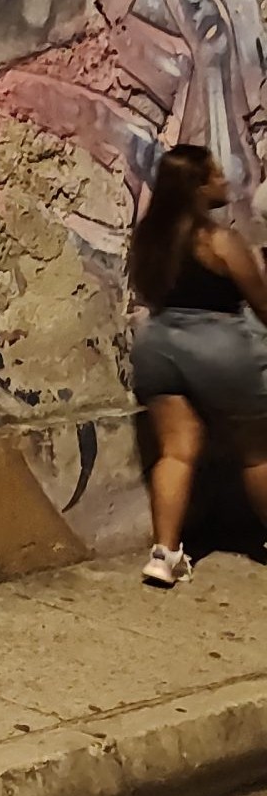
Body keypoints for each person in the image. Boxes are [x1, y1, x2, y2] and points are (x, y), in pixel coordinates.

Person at [129, 144, 267, 586]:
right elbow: (263, 304)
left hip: (157, 345)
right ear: (198, 188)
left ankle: (164, 555)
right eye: (216, 175)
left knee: (176, 450)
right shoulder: (219, 240)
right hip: (218, 346)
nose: (225, 180)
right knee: (256, 452)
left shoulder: (150, 240)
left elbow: (149, 294)